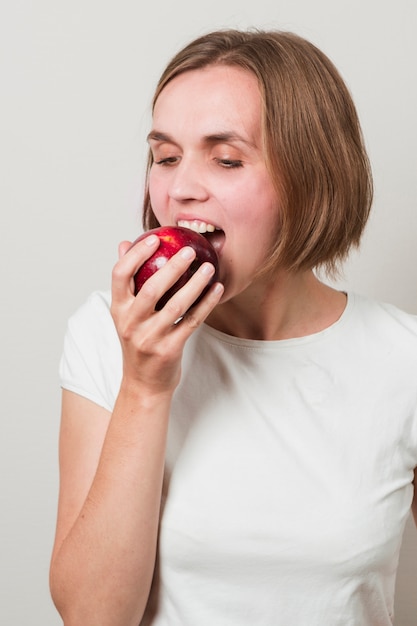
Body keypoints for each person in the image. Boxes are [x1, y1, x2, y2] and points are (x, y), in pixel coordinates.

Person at [49, 29, 417, 626]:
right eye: (165, 157)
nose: (181, 189)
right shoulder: (105, 334)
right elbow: (93, 616)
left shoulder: (404, 360)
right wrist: (145, 384)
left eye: (225, 159)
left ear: (312, 178)